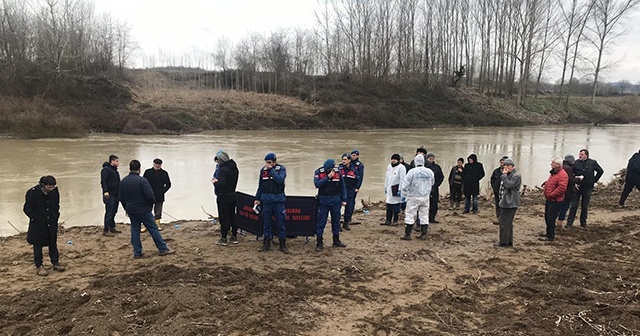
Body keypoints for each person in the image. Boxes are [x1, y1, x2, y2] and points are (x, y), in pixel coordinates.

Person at [119, 160, 175, 258]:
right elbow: (150, 196)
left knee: (135, 230)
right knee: (153, 229)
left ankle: (137, 253)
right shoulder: (142, 181)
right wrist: (149, 206)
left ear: (129, 169)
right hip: (144, 210)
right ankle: (163, 249)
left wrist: (126, 208)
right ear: (139, 169)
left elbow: (121, 197)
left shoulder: (124, 181)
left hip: (131, 210)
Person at [24, 176, 65, 276]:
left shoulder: (55, 191)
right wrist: (36, 219)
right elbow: (27, 208)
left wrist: (56, 216)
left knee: (52, 242)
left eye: (53, 187)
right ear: (43, 185)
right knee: (37, 245)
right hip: (38, 223)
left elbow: (56, 204)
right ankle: (39, 266)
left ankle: (55, 262)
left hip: (51, 221)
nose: (51, 189)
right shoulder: (32, 192)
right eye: (49, 187)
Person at [255, 152, 288, 253]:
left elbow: (280, 180)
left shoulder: (281, 169)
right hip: (267, 200)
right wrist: (257, 198)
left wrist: (272, 170)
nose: (267, 164)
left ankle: (282, 244)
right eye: (266, 162)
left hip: (278, 200)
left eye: (269, 162)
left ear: (274, 162)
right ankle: (266, 243)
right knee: (266, 223)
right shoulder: (263, 171)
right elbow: (260, 186)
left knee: (280, 223)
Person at [314, 159, 348, 251]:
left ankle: (336, 240)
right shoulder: (319, 172)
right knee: (321, 222)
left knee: (336, 221)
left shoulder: (338, 172)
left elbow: (343, 186)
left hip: (336, 200)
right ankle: (319, 242)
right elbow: (317, 184)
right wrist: (328, 177)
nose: (328, 170)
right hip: (324, 200)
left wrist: (344, 199)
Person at [400, 155, 434, 240]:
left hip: (414, 196)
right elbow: (432, 183)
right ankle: (423, 233)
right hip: (425, 197)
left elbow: (405, 185)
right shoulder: (429, 172)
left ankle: (407, 234)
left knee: (410, 214)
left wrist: (403, 196)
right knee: (424, 214)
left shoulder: (412, 172)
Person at [567, 149, 604, 227]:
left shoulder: (592, 162)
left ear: (586, 155)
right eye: (579, 154)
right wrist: (574, 182)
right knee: (574, 206)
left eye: (582, 154)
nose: (580, 156)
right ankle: (569, 223)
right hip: (577, 187)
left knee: (585, 206)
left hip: (588, 187)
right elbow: (570, 174)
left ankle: (583, 223)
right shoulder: (575, 163)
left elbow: (600, 171)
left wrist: (594, 180)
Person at [212, 151, 239, 246]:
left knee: (223, 218)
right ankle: (234, 236)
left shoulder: (223, 170)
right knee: (233, 216)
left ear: (221, 160)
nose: (218, 163)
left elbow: (222, 183)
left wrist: (215, 182)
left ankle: (223, 238)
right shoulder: (234, 168)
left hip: (223, 196)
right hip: (233, 194)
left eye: (218, 161)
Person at [541, 158, 568, 242]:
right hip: (549, 199)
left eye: (553, 163)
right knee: (547, 217)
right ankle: (548, 233)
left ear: (558, 165)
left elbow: (562, 188)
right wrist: (545, 186)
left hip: (556, 200)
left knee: (551, 218)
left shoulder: (562, 174)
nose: (551, 164)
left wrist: (551, 195)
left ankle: (550, 236)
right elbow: (551, 183)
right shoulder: (553, 173)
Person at [496, 159, 521, 247]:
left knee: (504, 223)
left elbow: (509, 185)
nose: (505, 167)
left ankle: (503, 243)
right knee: (508, 223)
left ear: (512, 166)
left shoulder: (516, 176)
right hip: (504, 202)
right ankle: (508, 241)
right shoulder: (508, 175)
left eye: (507, 166)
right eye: (504, 165)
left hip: (510, 203)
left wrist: (504, 175)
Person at [142, 158, 172, 233]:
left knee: (158, 211)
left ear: (161, 165)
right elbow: (143, 183)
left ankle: (157, 225)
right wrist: (145, 192)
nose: (157, 165)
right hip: (148, 195)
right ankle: (145, 225)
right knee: (146, 210)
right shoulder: (148, 172)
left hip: (159, 195)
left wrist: (163, 191)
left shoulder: (164, 173)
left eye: (159, 164)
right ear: (153, 164)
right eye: (156, 164)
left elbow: (168, 184)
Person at [100, 154, 122, 237]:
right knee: (109, 212)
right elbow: (103, 181)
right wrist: (105, 191)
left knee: (114, 211)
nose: (118, 162)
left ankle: (112, 227)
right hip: (109, 194)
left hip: (116, 194)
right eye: (116, 161)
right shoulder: (106, 170)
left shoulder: (114, 170)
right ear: (112, 161)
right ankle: (106, 230)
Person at [383, 154, 407, 225]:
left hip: (396, 188)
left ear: (398, 160)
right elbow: (387, 177)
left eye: (395, 159)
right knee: (389, 205)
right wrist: (386, 187)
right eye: (392, 159)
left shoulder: (401, 168)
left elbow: (402, 179)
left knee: (396, 206)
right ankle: (388, 220)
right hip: (389, 188)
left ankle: (395, 221)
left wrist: (400, 189)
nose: (393, 160)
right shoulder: (389, 166)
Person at [339, 153, 360, 231]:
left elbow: (357, 179)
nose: (343, 161)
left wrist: (356, 187)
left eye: (345, 159)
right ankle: (337, 225)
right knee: (338, 208)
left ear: (349, 160)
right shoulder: (339, 168)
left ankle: (346, 223)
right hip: (340, 192)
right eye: (343, 159)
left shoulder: (354, 169)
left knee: (349, 208)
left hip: (350, 191)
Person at [557, 155, 577, 228]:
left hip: (560, 191)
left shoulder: (560, 167)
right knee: (565, 207)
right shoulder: (568, 169)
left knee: (559, 206)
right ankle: (560, 222)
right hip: (568, 192)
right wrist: (578, 179)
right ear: (571, 161)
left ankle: (556, 220)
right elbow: (570, 181)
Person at [425, 153, 444, 223]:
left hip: (435, 188)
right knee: (425, 204)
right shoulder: (424, 167)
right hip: (425, 189)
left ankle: (432, 218)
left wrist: (436, 185)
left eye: (433, 158)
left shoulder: (437, 167)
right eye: (430, 159)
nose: (432, 160)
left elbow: (441, 177)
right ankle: (424, 218)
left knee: (434, 204)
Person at [490, 156, 509, 224]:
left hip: (505, 192)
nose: (502, 164)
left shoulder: (508, 172)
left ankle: (504, 219)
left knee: (504, 205)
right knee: (497, 205)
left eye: (503, 163)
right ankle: (498, 218)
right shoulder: (496, 171)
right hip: (496, 191)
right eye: (501, 163)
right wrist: (493, 186)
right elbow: (492, 179)